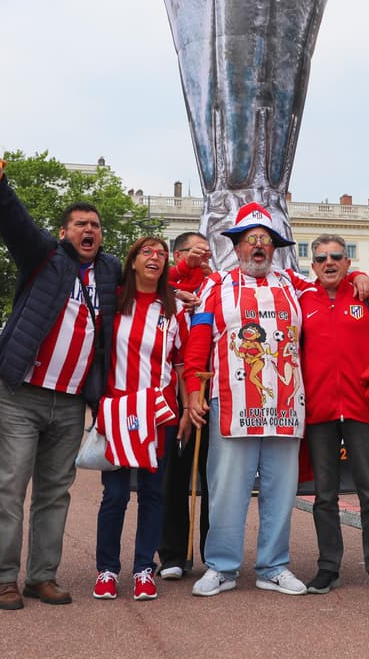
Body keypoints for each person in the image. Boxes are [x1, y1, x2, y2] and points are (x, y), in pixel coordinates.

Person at [0, 157, 122, 610]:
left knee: (55, 493)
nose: (89, 230)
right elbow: (16, 224)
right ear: (64, 232)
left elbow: (146, 285)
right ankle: (4, 578)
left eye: (95, 225)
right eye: (80, 224)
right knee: (8, 488)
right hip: (19, 394)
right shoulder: (44, 257)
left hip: (70, 402)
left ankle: (42, 576)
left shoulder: (110, 271)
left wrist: (179, 292)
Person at [182, 203, 308, 598]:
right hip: (232, 402)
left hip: (285, 404)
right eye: (250, 239)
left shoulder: (293, 284)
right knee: (226, 489)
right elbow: (198, 342)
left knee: (281, 490)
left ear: (274, 248)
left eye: (265, 240)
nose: (258, 246)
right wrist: (192, 389)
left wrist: (359, 276)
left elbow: (333, 281)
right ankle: (221, 566)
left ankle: (274, 566)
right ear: (236, 247)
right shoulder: (215, 285)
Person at [299, 235, 369, 598]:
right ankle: (328, 567)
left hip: (362, 408)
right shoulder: (303, 301)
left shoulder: (367, 297)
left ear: (347, 263)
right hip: (319, 411)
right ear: (313, 265)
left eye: (336, 257)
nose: (329, 263)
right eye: (321, 258)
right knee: (324, 495)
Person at [93, 237, 188, 601]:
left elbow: (180, 364)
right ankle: (107, 570)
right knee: (115, 494)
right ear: (132, 261)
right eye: (146, 252)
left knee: (152, 494)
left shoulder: (174, 309)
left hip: (159, 413)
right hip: (118, 409)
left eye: (161, 254)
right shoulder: (113, 302)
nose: (155, 258)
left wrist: (186, 409)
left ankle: (144, 569)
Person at [156, 231, 212, 581]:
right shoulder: (164, 288)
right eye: (195, 252)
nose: (202, 258)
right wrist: (176, 287)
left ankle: (214, 553)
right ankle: (173, 553)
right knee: (172, 478)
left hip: (212, 392)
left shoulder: (214, 285)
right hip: (174, 396)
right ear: (177, 254)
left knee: (215, 478)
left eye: (207, 252)